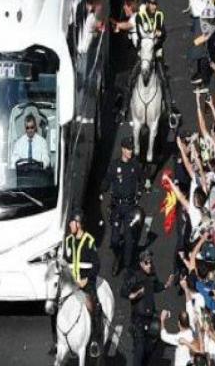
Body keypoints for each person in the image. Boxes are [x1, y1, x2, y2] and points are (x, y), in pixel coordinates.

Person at [121, 250, 172, 366]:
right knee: (139, 352)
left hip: (151, 318)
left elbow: (155, 286)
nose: (149, 265)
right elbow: (123, 291)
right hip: (138, 320)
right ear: (141, 264)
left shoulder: (152, 275)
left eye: (150, 262)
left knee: (149, 350)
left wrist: (165, 285)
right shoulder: (135, 277)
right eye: (146, 263)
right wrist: (133, 295)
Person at [63, 210, 102, 358]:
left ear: (78, 224)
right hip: (70, 285)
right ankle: (58, 339)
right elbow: (66, 262)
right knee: (55, 305)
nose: (69, 225)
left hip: (85, 284)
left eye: (72, 222)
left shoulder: (89, 241)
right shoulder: (68, 241)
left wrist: (86, 280)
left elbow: (96, 265)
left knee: (94, 307)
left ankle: (94, 341)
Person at [102, 137, 142, 275]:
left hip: (130, 206)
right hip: (117, 207)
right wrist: (102, 189)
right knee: (114, 240)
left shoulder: (135, 165)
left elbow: (143, 179)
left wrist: (141, 191)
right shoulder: (115, 165)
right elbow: (107, 179)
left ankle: (127, 267)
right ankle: (117, 255)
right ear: (123, 149)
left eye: (132, 149)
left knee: (130, 240)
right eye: (128, 149)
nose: (131, 151)